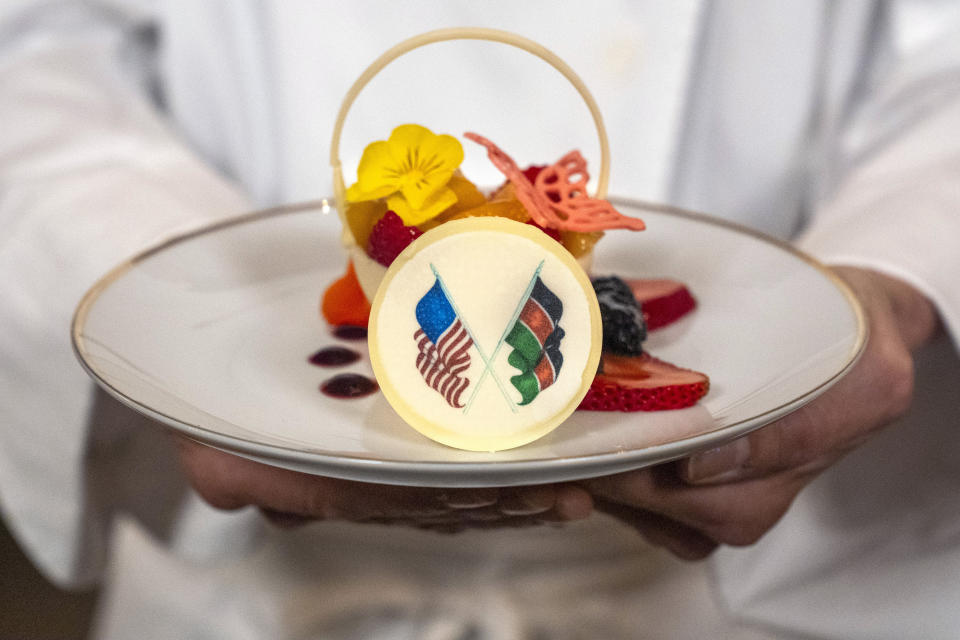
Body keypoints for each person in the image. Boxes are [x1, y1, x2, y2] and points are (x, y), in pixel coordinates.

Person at [1, 1, 958, 638]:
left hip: (747, 581)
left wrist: (892, 275)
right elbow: (35, 44)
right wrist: (179, 300)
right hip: (246, 591)